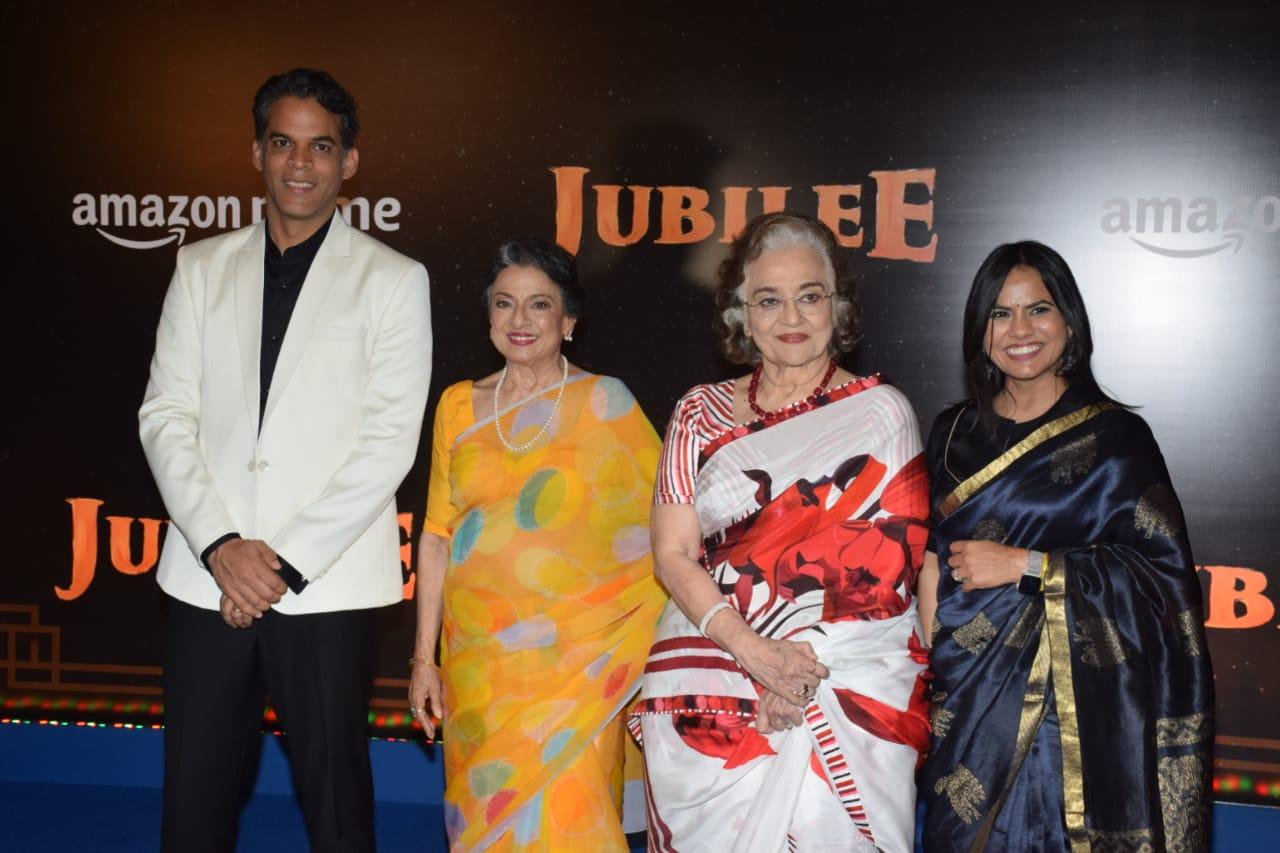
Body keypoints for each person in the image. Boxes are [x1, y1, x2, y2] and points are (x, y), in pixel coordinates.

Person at [138, 68, 432, 852]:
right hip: (206, 580)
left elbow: (388, 442)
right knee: (193, 802)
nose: (300, 163)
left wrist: (281, 564)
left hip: (327, 585)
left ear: (349, 162)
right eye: (283, 142)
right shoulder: (199, 268)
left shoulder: (396, 281)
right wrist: (221, 547)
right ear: (257, 153)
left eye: (321, 146)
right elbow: (166, 414)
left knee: (338, 807)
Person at [633, 212, 931, 852]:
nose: (791, 316)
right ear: (741, 312)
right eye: (769, 299)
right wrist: (754, 657)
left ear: (838, 307)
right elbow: (672, 554)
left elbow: (884, 580)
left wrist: (792, 678)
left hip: (838, 686)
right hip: (711, 692)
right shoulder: (698, 413)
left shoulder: (882, 414)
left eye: (810, 296)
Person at [918, 241, 1213, 851]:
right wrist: (936, 668)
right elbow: (931, 557)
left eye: (1038, 310)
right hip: (970, 698)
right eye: (1000, 314)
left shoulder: (1116, 437)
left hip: (1078, 712)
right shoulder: (954, 432)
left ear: (1069, 321)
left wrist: (1028, 566)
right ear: (980, 329)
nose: (1020, 331)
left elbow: (1163, 579)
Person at [408, 237, 667, 851]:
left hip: (576, 664)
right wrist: (424, 659)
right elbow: (438, 536)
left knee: (572, 813)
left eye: (539, 305)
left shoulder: (608, 403)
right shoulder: (456, 406)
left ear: (569, 321)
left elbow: (666, 528)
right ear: (489, 317)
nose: (519, 321)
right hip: (477, 665)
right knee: (485, 813)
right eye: (504, 304)